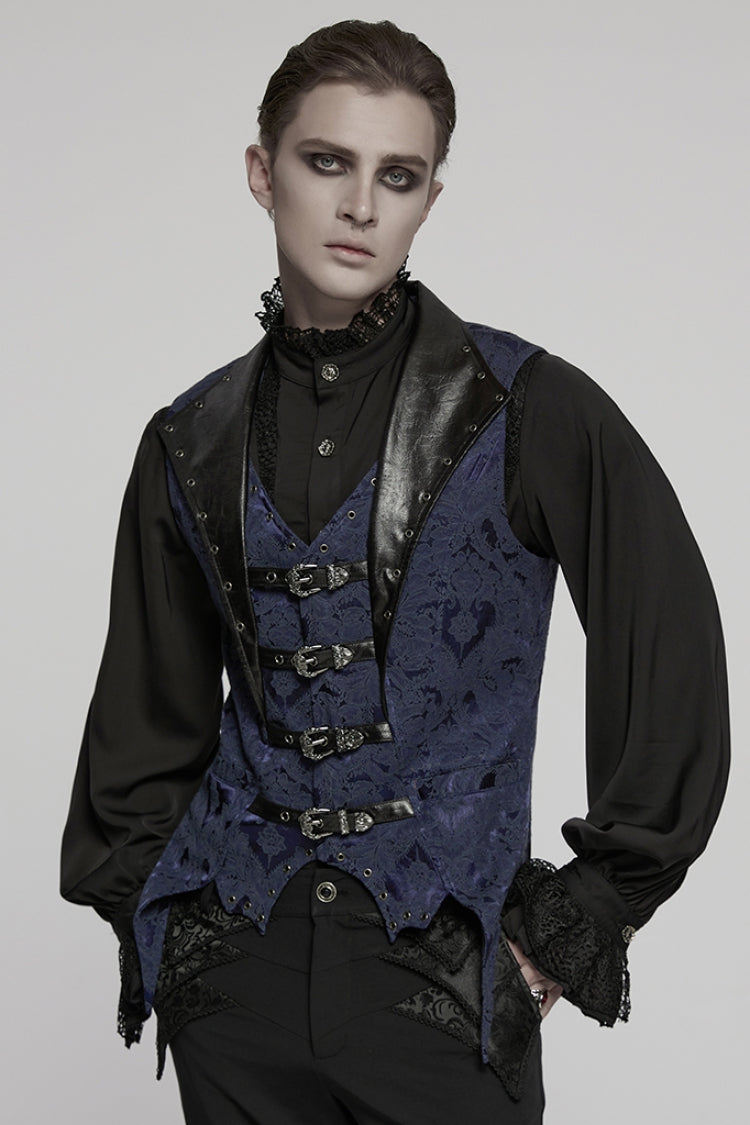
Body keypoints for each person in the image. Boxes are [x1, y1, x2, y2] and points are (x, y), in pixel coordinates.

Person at [60, 18, 729, 1125]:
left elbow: (672, 650)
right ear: (262, 172)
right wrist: (172, 936)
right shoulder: (190, 437)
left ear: (429, 198)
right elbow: (143, 724)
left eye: (399, 175)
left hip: (444, 991)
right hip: (235, 985)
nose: (361, 205)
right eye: (328, 161)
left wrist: (582, 915)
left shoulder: (528, 408)